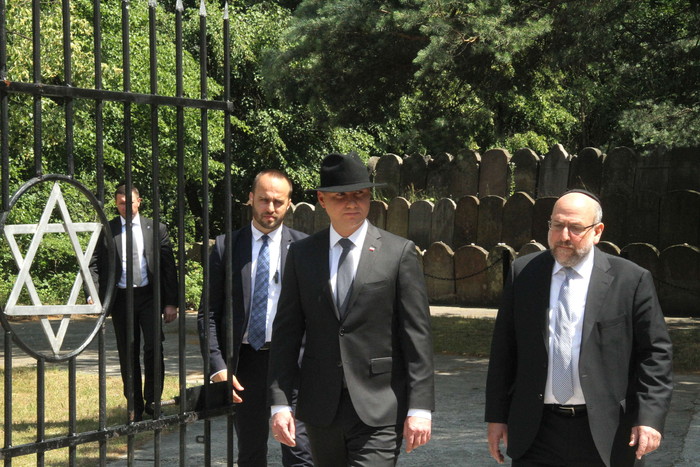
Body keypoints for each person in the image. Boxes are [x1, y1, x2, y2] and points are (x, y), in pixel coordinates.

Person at [268, 152, 435, 467]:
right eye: (340, 196)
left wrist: (420, 407)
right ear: (322, 199)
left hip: (380, 404)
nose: (352, 203)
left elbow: (417, 335)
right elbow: (286, 333)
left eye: (360, 194)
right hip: (321, 406)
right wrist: (279, 403)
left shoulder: (398, 253)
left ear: (370, 196)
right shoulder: (302, 255)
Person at [485, 189, 673, 467]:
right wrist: (497, 416)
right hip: (536, 431)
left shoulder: (630, 280)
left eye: (575, 228)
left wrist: (649, 418)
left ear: (597, 232)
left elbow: (655, 354)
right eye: (557, 225)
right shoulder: (523, 273)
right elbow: (504, 350)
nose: (563, 236)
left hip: (608, 432)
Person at [198, 169, 313, 467]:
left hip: (291, 364)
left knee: (300, 451)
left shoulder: (306, 248)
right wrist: (218, 367)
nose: (270, 208)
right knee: (250, 453)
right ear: (250, 198)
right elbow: (208, 313)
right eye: (263, 199)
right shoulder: (225, 247)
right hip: (245, 365)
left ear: (289, 204)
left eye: (278, 201)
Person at [90, 185, 178, 422]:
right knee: (128, 353)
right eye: (121, 203)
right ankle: (134, 406)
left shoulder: (156, 229)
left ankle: (153, 402)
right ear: (116, 204)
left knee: (153, 349)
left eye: (129, 202)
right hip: (121, 299)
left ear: (139, 201)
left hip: (150, 297)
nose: (126, 207)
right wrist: (94, 294)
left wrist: (171, 303)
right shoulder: (107, 229)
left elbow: (168, 267)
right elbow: (93, 264)